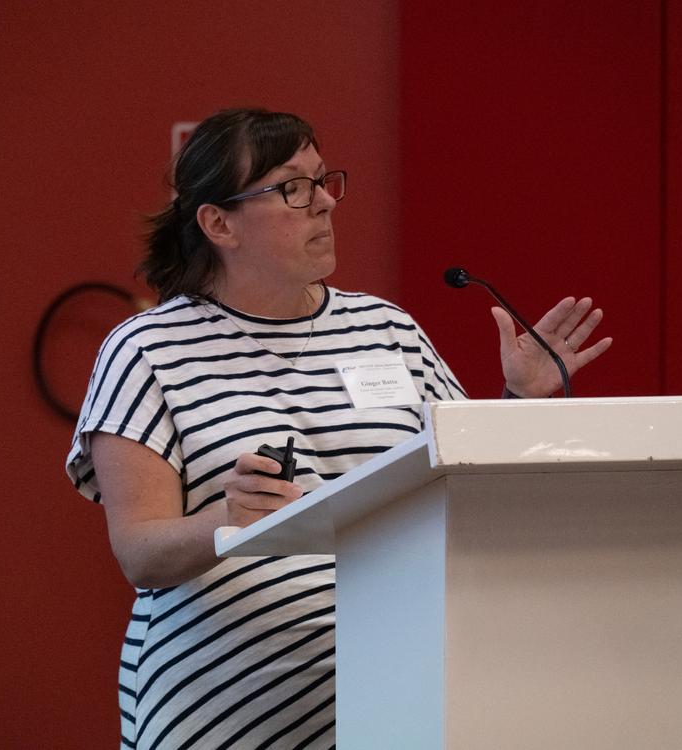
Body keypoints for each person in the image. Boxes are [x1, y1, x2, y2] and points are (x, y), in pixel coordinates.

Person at [66, 108, 612, 749]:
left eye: (324, 181)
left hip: (401, 695)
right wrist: (230, 520)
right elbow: (139, 552)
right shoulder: (148, 349)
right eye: (293, 188)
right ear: (219, 224)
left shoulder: (386, 329)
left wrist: (518, 400)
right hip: (225, 713)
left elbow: (462, 490)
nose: (324, 202)